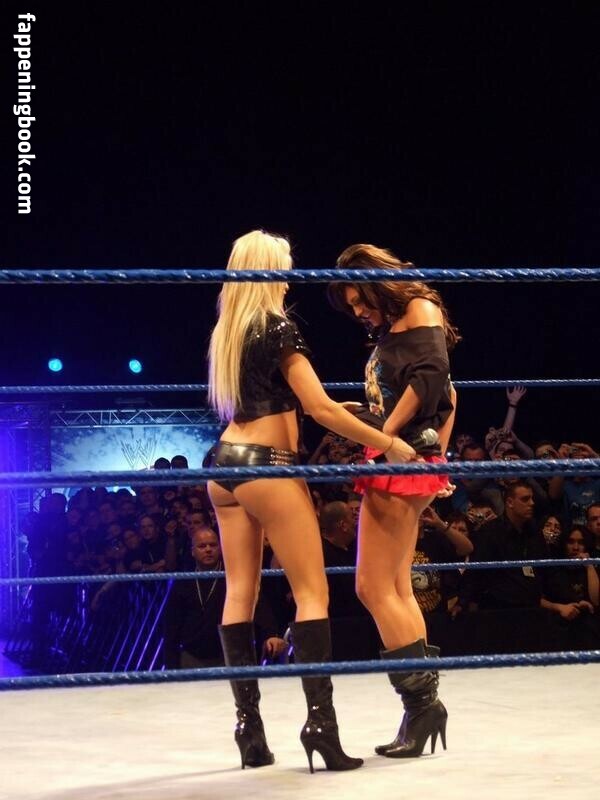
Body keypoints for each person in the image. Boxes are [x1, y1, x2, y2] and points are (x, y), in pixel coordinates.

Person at [206, 229, 414, 773]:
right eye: (284, 267)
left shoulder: (228, 331)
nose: (288, 277)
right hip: (268, 467)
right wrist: (388, 442)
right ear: (270, 270)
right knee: (312, 592)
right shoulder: (278, 326)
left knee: (239, 592)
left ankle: (249, 730)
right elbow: (319, 409)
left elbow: (281, 401)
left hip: (222, 464)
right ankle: (321, 726)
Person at [327, 242, 459, 759]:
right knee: (397, 587)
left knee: (372, 586)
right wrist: (365, 414)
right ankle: (422, 710)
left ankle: (423, 706)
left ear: (377, 284)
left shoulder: (419, 308)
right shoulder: (395, 328)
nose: (359, 312)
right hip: (401, 454)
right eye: (352, 307)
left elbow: (434, 379)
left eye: (360, 300)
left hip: (400, 458)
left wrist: (387, 436)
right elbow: (426, 389)